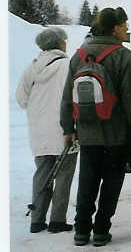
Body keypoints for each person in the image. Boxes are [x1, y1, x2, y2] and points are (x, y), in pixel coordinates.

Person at [61, 7, 131, 247]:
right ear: (115, 28)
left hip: (87, 133)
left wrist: (68, 129)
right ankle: (100, 231)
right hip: (116, 134)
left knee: (87, 180)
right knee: (111, 183)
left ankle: (80, 231)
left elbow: (67, 96)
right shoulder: (123, 56)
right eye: (124, 25)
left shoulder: (79, 55)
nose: (127, 29)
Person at [16, 27, 78, 234]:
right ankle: (57, 221)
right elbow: (76, 95)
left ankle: (37, 220)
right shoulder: (68, 65)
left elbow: (21, 100)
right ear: (60, 43)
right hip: (64, 129)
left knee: (42, 174)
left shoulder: (31, 69)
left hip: (39, 132)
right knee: (64, 175)